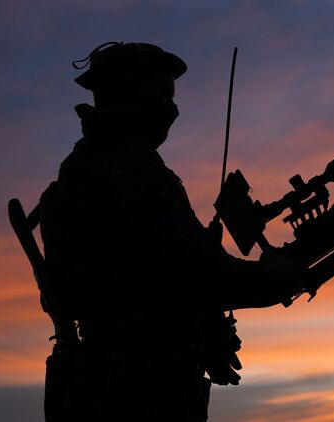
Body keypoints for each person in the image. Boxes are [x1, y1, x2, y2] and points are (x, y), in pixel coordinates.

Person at [38, 42, 304, 422]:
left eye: (171, 96)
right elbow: (182, 265)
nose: (171, 108)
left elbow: (155, 269)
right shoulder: (130, 165)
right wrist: (268, 279)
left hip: (114, 377)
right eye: (162, 94)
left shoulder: (88, 162)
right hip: (138, 387)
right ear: (129, 93)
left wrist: (204, 328)